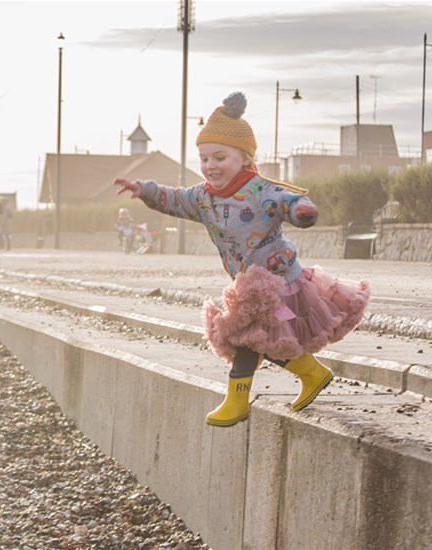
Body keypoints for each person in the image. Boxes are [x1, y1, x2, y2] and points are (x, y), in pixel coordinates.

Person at [114, 92, 370, 427]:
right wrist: (144, 189)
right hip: (247, 280)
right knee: (269, 340)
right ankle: (312, 373)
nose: (210, 166)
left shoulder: (259, 190)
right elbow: (174, 199)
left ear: (245, 159)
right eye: (204, 159)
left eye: (219, 157)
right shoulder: (203, 197)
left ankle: (237, 401)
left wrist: (300, 211)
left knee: (246, 336)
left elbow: (286, 200)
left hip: (277, 281)